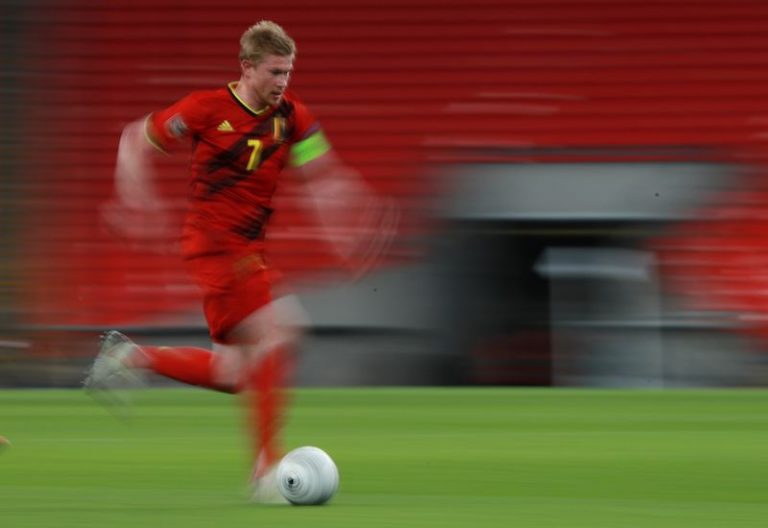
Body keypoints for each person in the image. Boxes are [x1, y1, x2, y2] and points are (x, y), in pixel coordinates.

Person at [84, 20, 395, 503]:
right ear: (247, 67)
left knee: (233, 375)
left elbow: (324, 175)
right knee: (282, 330)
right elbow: (135, 138)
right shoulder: (205, 109)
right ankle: (265, 472)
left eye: (288, 72)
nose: (283, 82)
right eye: (275, 72)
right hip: (215, 247)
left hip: (248, 251)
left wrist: (350, 217)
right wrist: (134, 197)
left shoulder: (292, 116)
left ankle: (131, 358)